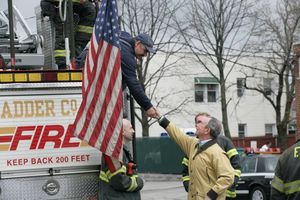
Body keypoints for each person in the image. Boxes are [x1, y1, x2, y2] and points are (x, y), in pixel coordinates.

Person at [77, 31, 159, 118]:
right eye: (145, 50)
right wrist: (148, 107)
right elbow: (133, 84)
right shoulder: (127, 56)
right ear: (137, 43)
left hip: (83, 65)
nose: (145, 55)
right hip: (89, 76)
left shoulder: (124, 36)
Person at [156, 112, 234, 200]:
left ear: (207, 130)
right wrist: (160, 117)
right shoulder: (193, 144)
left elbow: (228, 176)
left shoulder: (217, 153)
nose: (196, 125)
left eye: (199, 122)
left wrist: (211, 194)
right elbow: (177, 134)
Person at [181, 134, 241, 199]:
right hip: (204, 195)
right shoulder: (196, 144)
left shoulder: (224, 141)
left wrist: (230, 185)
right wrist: (187, 184)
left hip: (227, 194)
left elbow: (236, 166)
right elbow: (186, 166)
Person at [40, 0, 96, 69]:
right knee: (65, 32)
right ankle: (63, 65)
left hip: (69, 3)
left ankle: (78, 51)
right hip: (57, 3)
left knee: (90, 10)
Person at [99, 119, 143, 200]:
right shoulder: (113, 152)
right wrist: (139, 182)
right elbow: (119, 181)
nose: (133, 131)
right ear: (122, 131)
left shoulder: (121, 150)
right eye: (130, 128)